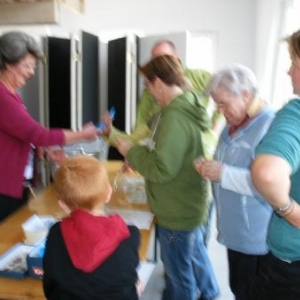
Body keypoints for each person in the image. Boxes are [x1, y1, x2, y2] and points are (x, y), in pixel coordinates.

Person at [115, 55, 219, 300]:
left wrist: (131, 151)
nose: (148, 92)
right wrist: (139, 153)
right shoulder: (183, 107)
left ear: (159, 83)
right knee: (192, 255)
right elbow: (168, 153)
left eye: (148, 85)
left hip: (177, 211)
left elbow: (162, 169)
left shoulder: (174, 116)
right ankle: (212, 293)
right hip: (188, 204)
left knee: (178, 274)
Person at [103, 39, 220, 245]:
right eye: (156, 59)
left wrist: (215, 126)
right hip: (180, 195)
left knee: (188, 254)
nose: (149, 86)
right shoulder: (159, 99)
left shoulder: (182, 103)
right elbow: (141, 133)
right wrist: (113, 134)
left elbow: (161, 168)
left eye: (164, 59)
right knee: (191, 257)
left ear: (177, 61)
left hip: (186, 196)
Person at [0, 31, 99, 222]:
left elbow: (23, 136)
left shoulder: (11, 95)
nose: (32, 72)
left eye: (33, 66)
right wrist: (81, 134)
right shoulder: (3, 98)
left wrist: (46, 153)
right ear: (8, 64)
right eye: (27, 66)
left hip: (16, 185)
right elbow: (37, 134)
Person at [194, 64, 274, 300]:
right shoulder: (232, 124)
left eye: (223, 104)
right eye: (217, 104)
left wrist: (223, 174)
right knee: (238, 288)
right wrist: (209, 168)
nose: (220, 111)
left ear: (246, 96)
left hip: (255, 236)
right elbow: (227, 162)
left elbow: (270, 183)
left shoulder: (269, 126)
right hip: (235, 233)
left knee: (251, 292)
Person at [43, 155, 140, 300]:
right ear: (108, 193)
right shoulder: (129, 234)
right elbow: (127, 277)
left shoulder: (56, 233)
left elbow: (49, 284)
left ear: (63, 204)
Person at [249, 29, 300, 300]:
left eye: (293, 62)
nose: (289, 71)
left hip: (290, 269)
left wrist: (289, 211)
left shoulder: (297, 113)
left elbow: (267, 173)